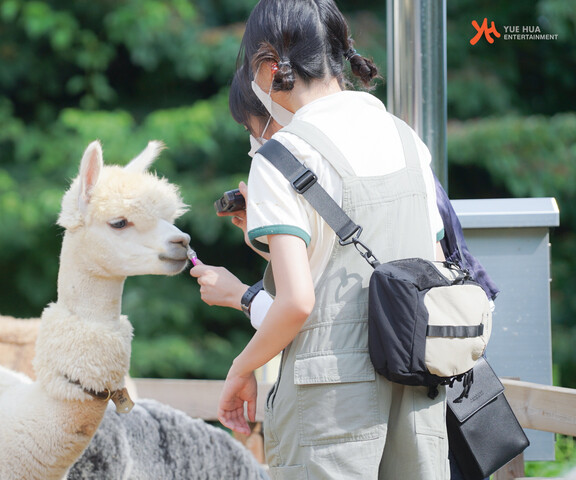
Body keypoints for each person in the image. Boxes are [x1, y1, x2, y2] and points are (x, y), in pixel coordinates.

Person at [196, 66, 499, 480]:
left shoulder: (283, 156)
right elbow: (388, 284)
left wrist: (241, 346)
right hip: (421, 395)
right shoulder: (406, 143)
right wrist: (270, 245)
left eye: (255, 129)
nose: (257, 143)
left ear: (272, 87)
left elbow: (306, 307)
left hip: (336, 409)